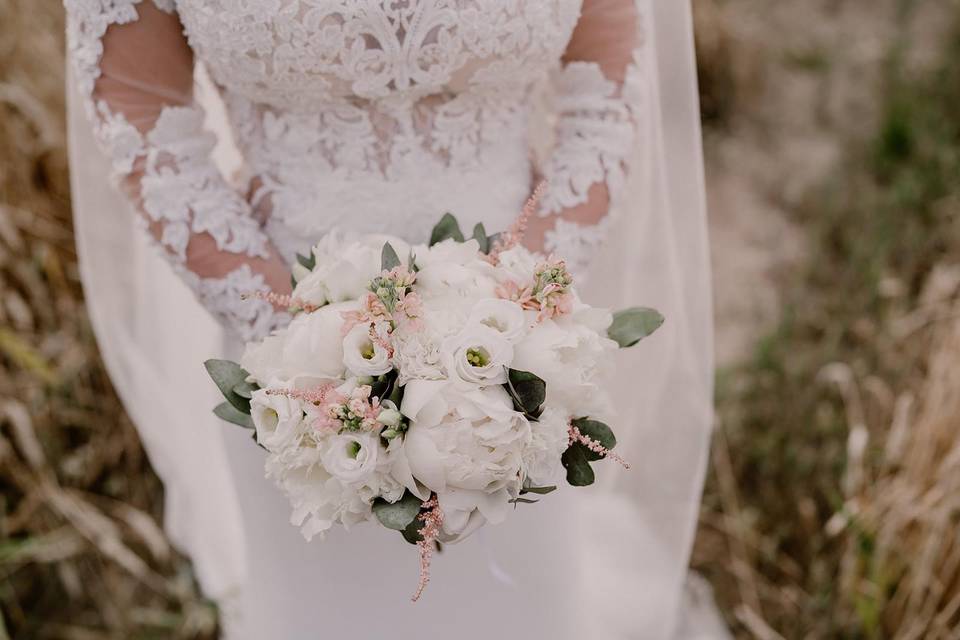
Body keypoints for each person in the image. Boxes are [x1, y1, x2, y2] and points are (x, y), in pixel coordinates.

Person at [64, 1, 718, 637]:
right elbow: (144, 116)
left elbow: (604, 95)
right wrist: (303, 351)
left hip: (517, 377)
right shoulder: (295, 364)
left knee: (519, 603)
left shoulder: (521, 353)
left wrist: (523, 317)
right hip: (294, 372)